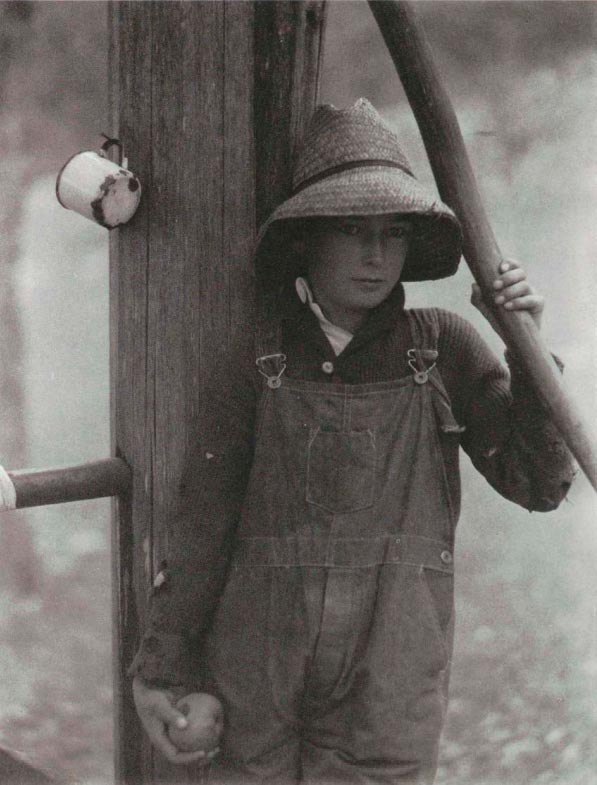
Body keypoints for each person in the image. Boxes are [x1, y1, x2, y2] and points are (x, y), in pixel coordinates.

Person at [129, 99, 575, 784]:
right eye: (351, 229)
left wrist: (528, 351)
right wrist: (161, 671)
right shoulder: (256, 360)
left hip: (389, 677)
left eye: (392, 233)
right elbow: (203, 526)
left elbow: (538, 484)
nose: (375, 255)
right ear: (306, 237)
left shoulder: (442, 348)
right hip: (257, 672)